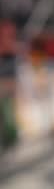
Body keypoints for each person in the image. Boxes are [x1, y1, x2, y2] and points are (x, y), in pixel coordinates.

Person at [0, 19, 19, 149]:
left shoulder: (11, 52)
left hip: (8, 83)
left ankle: (10, 139)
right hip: (5, 83)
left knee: (8, 111)